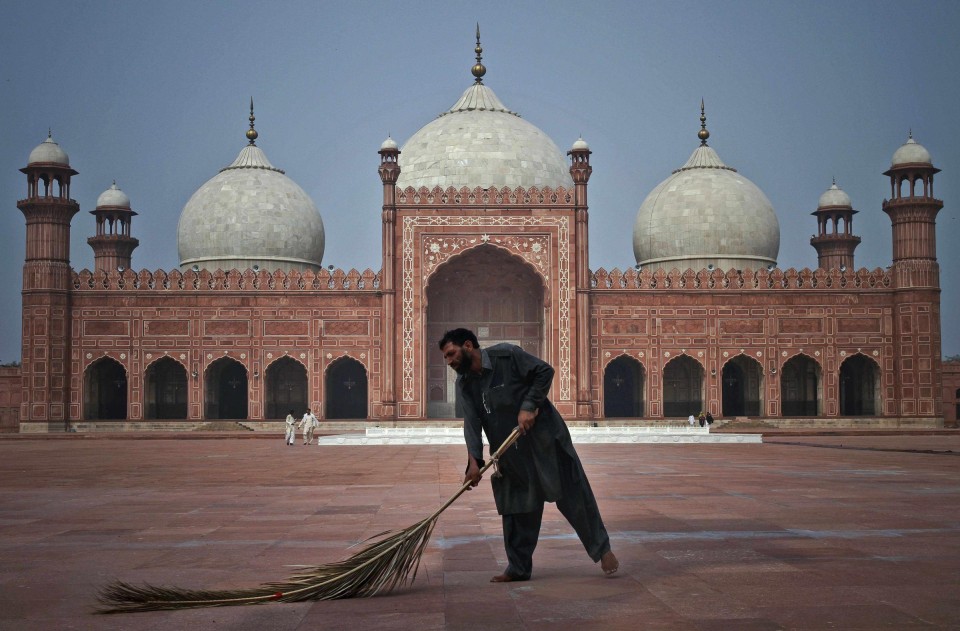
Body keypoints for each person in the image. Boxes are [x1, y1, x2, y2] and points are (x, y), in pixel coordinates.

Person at [439, 328, 618, 583]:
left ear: (468, 345)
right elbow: (472, 422)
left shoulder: (507, 355)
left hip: (545, 441)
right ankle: (518, 567)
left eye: (451, 354)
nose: (449, 362)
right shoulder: (465, 383)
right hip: (509, 450)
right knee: (515, 507)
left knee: (573, 495)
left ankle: (603, 550)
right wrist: (473, 462)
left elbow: (545, 371)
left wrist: (528, 406)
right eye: (446, 358)